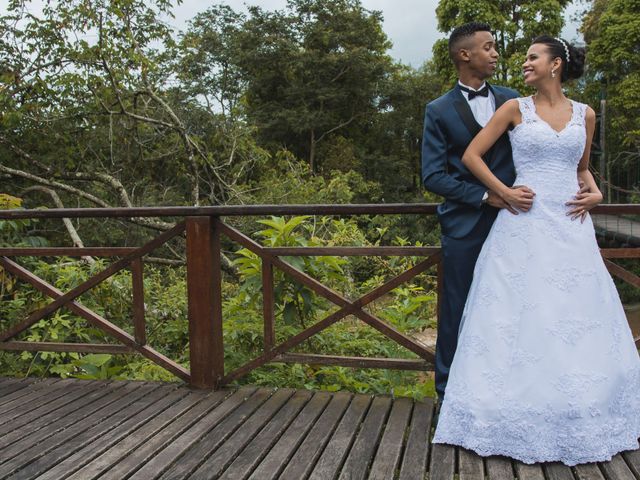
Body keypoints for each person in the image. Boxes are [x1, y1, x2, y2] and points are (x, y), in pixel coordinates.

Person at [432, 35, 640, 465]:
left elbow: (581, 168)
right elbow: (472, 156)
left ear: (556, 64)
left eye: (532, 57)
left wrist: (597, 195)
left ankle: (577, 413)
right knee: (519, 317)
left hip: (570, 227)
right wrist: (504, 192)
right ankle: (507, 413)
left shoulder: (586, 113)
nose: (523, 63)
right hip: (522, 225)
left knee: (573, 316)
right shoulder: (515, 108)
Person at [422, 22, 528, 403]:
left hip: (518, 223)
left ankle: (508, 391)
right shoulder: (437, 110)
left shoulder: (514, 100)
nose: (496, 53)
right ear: (465, 55)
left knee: (514, 307)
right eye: (489, 47)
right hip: (465, 225)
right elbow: (433, 175)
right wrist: (485, 196)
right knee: (457, 308)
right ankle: (448, 395)